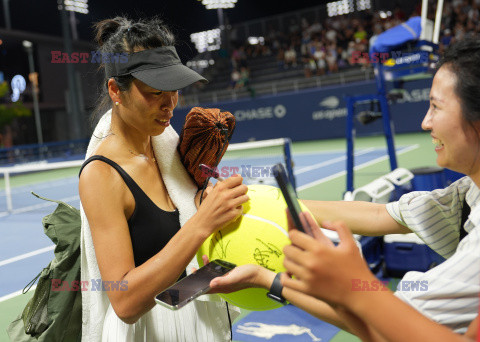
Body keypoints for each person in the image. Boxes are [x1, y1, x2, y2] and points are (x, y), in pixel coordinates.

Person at [208, 37, 480, 339]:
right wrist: (263, 203)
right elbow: (382, 215)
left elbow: (397, 326)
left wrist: (352, 281)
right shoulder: (468, 193)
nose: (425, 122)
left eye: (435, 107)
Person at [78, 17, 249, 341]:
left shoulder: (168, 149)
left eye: (174, 89)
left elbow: (181, 266)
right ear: (116, 90)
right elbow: (125, 301)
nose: (170, 104)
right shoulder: (101, 175)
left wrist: (210, 204)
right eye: (155, 92)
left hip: (196, 319)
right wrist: (203, 223)